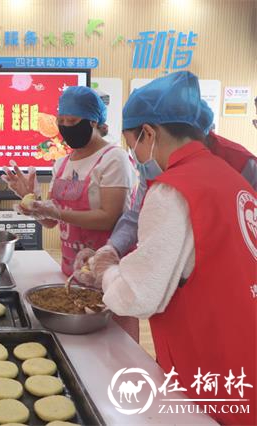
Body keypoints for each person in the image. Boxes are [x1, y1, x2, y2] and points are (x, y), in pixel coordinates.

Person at [90, 71, 255, 425]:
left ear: (149, 132)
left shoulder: (174, 190)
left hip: (212, 361)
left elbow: (137, 296)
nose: (134, 154)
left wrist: (107, 271)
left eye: (132, 142)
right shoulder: (230, 176)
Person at [3, 86, 138, 339]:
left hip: (108, 277)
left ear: (94, 121)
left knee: (113, 350)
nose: (66, 127)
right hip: (71, 272)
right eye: (61, 121)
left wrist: (57, 212)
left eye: (73, 121)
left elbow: (109, 217)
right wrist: (31, 201)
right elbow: (52, 223)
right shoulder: (62, 163)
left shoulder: (113, 158)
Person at [100, 99, 257, 258]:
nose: (135, 155)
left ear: (149, 134)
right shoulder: (155, 164)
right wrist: (112, 248)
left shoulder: (241, 164)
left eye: (131, 146)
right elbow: (136, 216)